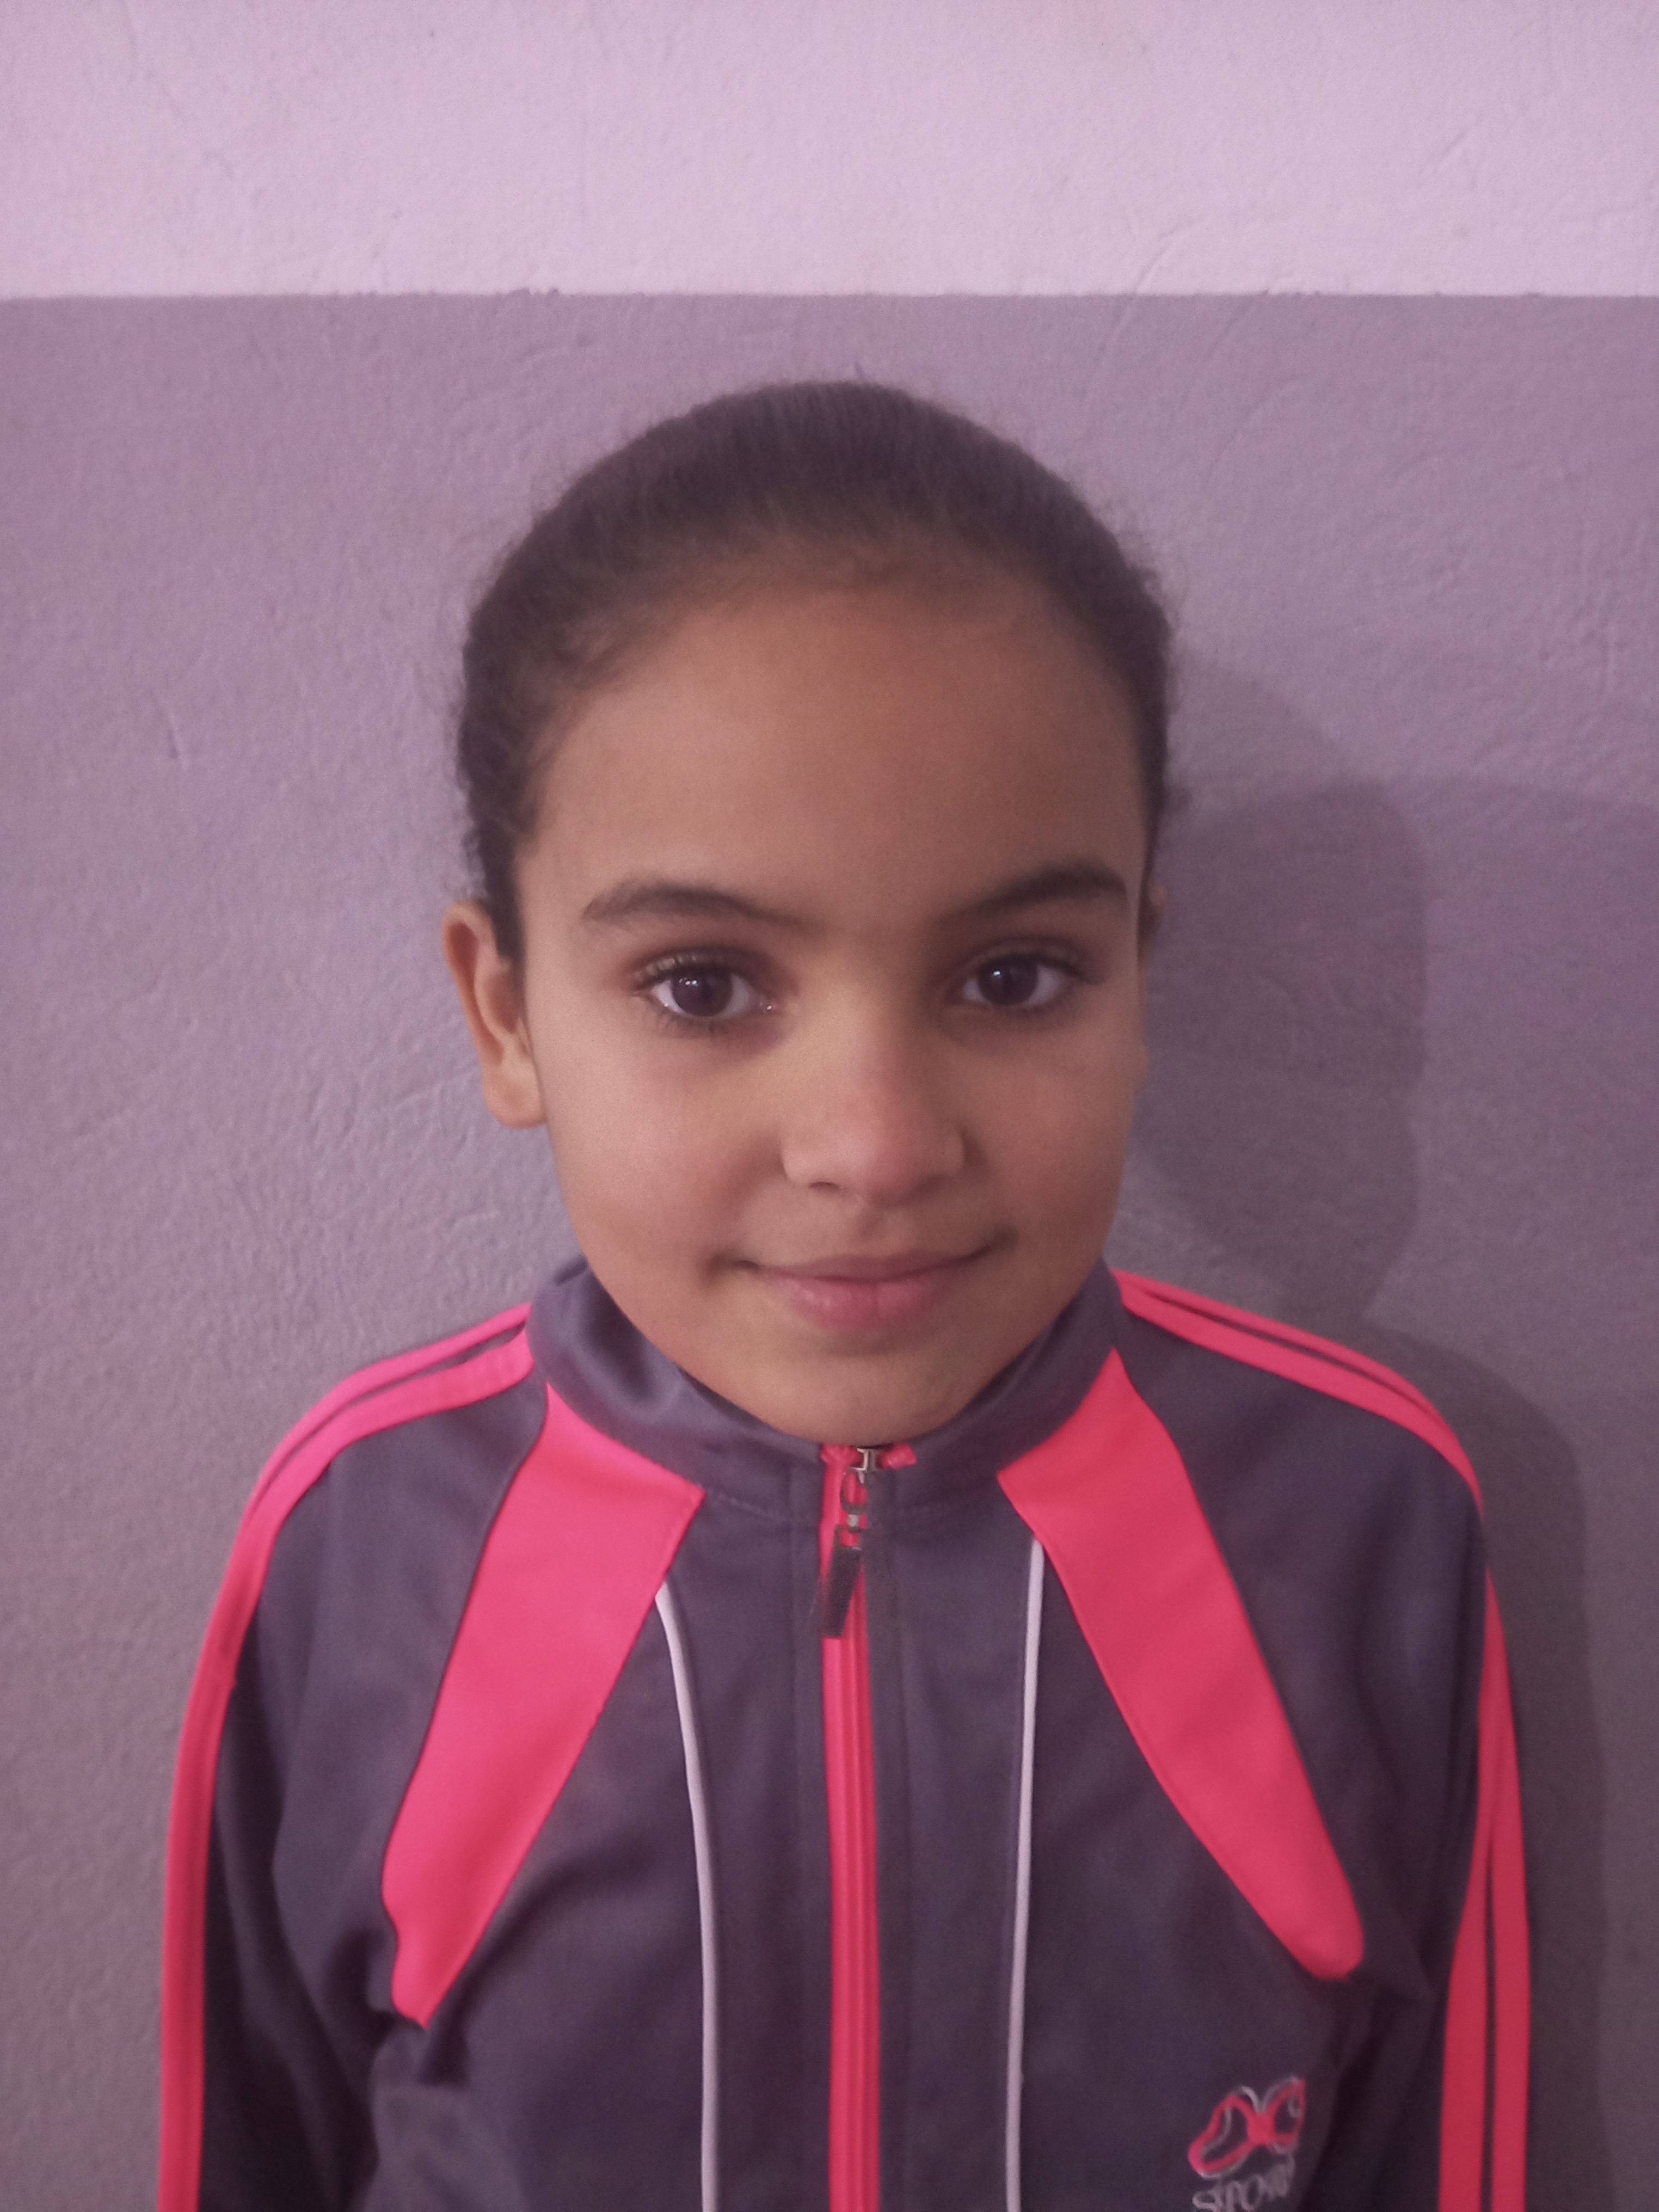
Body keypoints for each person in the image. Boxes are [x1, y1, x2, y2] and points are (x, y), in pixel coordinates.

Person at [157, 382, 1527, 2212]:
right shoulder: (359, 1535)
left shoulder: (1364, 1521)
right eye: (705, 986)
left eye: (1016, 976)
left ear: (1140, 972)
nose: (875, 1149)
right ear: (506, 1015)